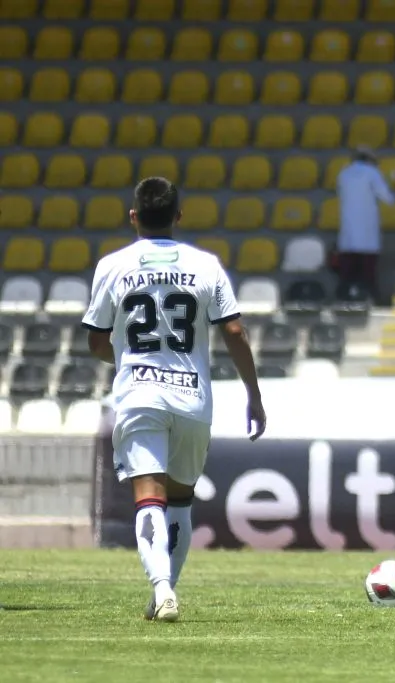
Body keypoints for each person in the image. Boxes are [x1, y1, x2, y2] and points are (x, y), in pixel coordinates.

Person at [81, 178, 267, 622]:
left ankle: (161, 588)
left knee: (149, 495)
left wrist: (128, 356)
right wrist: (253, 394)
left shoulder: (113, 265)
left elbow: (96, 341)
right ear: (178, 216)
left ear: (133, 217)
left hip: (139, 393)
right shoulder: (206, 266)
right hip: (192, 398)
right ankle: (167, 590)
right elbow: (235, 331)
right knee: (181, 500)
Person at [335, 145, 395, 301]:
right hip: (367, 235)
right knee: (368, 274)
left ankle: (345, 299)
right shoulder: (372, 173)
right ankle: (372, 299)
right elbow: (388, 198)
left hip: (348, 235)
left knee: (348, 274)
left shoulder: (343, 174)